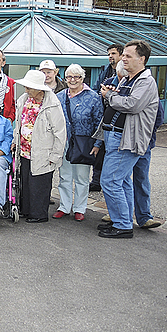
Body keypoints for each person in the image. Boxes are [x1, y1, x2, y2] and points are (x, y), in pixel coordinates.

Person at [95, 40, 159, 239]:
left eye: (128, 56)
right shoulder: (128, 79)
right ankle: (121, 220)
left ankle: (123, 225)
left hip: (127, 139)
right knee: (121, 182)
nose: (123, 58)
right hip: (114, 136)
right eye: (124, 55)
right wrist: (114, 94)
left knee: (110, 180)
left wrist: (109, 96)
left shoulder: (146, 82)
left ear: (142, 59)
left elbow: (132, 105)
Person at [13, 70, 66, 223]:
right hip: (24, 150)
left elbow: (60, 132)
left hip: (43, 151)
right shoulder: (24, 99)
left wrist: (56, 155)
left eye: (29, 87)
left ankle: (39, 214)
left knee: (39, 184)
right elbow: (19, 122)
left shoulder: (52, 104)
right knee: (26, 182)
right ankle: (26, 210)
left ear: (39, 88)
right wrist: (15, 140)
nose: (26, 90)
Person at [53, 64, 103, 222]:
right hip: (64, 142)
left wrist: (97, 145)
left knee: (81, 177)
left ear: (83, 78)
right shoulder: (60, 96)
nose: (72, 80)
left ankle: (80, 208)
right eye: (69, 77)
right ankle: (64, 206)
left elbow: (99, 122)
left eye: (77, 77)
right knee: (64, 176)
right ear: (65, 78)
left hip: (84, 143)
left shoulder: (93, 97)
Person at [90, 43, 124, 191]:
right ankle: (97, 180)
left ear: (121, 55)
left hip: (118, 123)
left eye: (114, 53)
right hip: (104, 116)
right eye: (109, 54)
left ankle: (112, 184)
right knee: (99, 149)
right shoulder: (105, 70)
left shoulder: (128, 77)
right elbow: (97, 89)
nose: (110, 56)